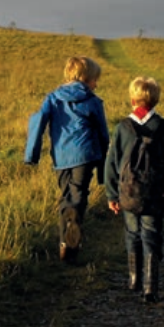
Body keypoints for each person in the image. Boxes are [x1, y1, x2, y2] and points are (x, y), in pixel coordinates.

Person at [104, 76, 164, 303]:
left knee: (132, 233)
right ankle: (151, 287)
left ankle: (134, 280)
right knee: (151, 234)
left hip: (129, 193)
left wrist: (112, 194)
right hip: (156, 193)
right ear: (156, 100)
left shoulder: (123, 128)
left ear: (132, 99)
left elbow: (112, 164)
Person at [24, 56, 110, 263]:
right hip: (86, 154)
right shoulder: (92, 101)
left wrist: (31, 155)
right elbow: (103, 132)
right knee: (79, 193)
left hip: (61, 156)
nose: (96, 84)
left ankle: (65, 240)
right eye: (94, 80)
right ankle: (74, 238)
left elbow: (37, 123)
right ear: (85, 78)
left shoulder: (52, 98)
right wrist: (104, 159)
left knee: (66, 195)